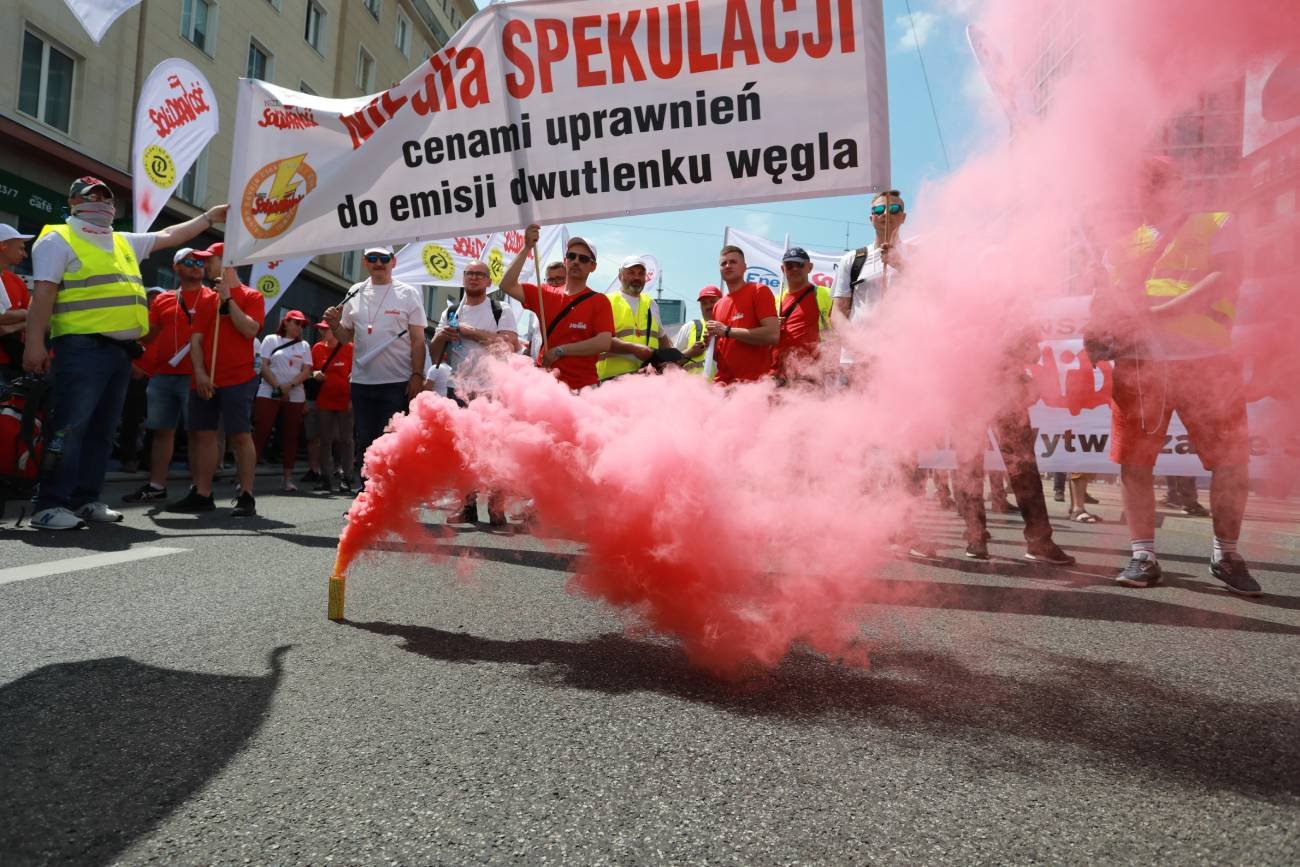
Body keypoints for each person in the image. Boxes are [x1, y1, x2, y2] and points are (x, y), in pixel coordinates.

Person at [22, 176, 225, 530]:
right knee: (69, 428)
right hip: (80, 347)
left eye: (106, 196)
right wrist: (34, 343)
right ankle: (49, 504)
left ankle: (85, 499)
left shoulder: (122, 241)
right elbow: (43, 295)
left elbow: (169, 236)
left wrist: (207, 218)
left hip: (118, 353)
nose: (101, 201)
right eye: (92, 195)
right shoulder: (58, 238)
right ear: (73, 202)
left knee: (101, 431)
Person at [1098, 157, 1259, 595]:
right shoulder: (1118, 248)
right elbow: (1112, 307)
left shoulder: (1219, 223)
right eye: (1138, 184)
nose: (1147, 191)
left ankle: (1226, 554)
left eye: (1157, 181)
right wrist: (1100, 334)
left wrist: (1158, 314)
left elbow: (1225, 279)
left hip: (1207, 362)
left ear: (1180, 183)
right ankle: (1142, 555)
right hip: (1139, 364)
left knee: (1231, 463)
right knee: (1133, 462)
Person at [828, 189, 938, 559]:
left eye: (894, 209)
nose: (886, 214)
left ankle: (904, 528)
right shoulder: (853, 260)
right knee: (859, 445)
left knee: (907, 450)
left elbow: (938, 296)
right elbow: (837, 313)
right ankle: (860, 527)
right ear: (870, 216)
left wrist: (904, 266)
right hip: (858, 364)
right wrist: (856, 342)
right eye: (879, 209)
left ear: (904, 216)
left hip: (904, 364)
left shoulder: (919, 257)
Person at [953, 333, 1076, 564]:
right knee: (1011, 466)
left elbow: (1032, 351)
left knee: (1003, 466)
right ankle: (1032, 540)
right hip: (984, 389)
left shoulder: (1004, 309)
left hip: (987, 390)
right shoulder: (1002, 307)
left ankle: (979, 537)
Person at [168, 244, 264, 517]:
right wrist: (199, 373)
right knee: (202, 435)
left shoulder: (252, 296)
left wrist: (229, 300)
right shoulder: (205, 299)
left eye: (208, 261)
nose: (203, 266)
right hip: (207, 378)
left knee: (240, 435)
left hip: (239, 377)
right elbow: (196, 339)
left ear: (227, 263)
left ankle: (246, 495)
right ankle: (202, 492)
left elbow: (250, 330)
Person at [322, 245, 427, 491]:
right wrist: (335, 325)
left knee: (389, 440)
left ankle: (388, 495)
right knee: (365, 440)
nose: (378, 263)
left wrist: (416, 375)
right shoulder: (354, 291)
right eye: (372, 258)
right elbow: (346, 336)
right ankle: (368, 494)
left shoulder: (408, 293)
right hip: (362, 381)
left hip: (397, 381)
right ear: (365, 262)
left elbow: (418, 340)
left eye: (383, 258)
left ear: (393, 262)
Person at [428, 259, 520, 524]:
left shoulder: (500, 309)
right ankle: (467, 506)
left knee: (494, 449)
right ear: (463, 278)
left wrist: (468, 332)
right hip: (459, 390)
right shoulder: (452, 311)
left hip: (493, 390)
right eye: (469, 274)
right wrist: (441, 337)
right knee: (462, 450)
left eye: (480, 275)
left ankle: (495, 505)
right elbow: (433, 355)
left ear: (489, 281)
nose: (474, 278)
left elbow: (507, 345)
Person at [123, 248, 213, 503]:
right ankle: (157, 485)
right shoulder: (163, 300)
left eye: (200, 262)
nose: (197, 266)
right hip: (162, 374)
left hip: (195, 375)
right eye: (190, 261)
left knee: (198, 433)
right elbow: (148, 334)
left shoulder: (213, 298)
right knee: (161, 430)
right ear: (176, 267)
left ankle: (199, 489)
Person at [498, 226, 613, 392]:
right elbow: (507, 285)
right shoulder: (545, 292)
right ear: (565, 261)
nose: (576, 261)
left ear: (593, 267)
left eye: (583, 259)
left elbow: (603, 342)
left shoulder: (599, 301)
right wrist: (527, 247)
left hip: (583, 389)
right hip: (547, 387)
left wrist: (560, 351)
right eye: (571, 256)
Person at [252, 310, 313, 492]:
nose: (299, 327)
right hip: (268, 391)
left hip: (295, 394)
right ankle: (247, 476)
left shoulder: (304, 345)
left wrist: (289, 386)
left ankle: (287, 479)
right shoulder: (271, 340)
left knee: (291, 436)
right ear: (285, 322)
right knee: (261, 431)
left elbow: (306, 370)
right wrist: (278, 387)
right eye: (295, 322)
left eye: (301, 324)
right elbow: (262, 365)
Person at [705, 246, 779, 385]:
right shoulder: (718, 305)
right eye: (723, 263)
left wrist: (727, 331)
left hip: (753, 386)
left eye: (733, 262)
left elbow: (772, 335)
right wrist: (710, 342)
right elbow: (721, 353)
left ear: (745, 267)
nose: (728, 266)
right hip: (722, 385)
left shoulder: (758, 291)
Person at [597, 256, 673, 381]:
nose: (637, 277)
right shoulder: (606, 301)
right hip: (612, 382)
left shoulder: (651, 304)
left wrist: (670, 360)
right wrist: (634, 349)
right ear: (620, 275)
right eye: (631, 273)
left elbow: (662, 338)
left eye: (641, 273)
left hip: (647, 381)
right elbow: (600, 340)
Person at [771, 246, 832, 383]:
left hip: (811, 374)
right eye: (789, 265)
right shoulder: (776, 300)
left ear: (810, 267)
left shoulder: (826, 294)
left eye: (799, 264)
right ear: (783, 269)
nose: (794, 269)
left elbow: (842, 330)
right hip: (777, 375)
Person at [310, 319, 355, 494]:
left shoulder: (349, 348)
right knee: (325, 440)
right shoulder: (317, 348)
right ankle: (326, 478)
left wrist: (352, 400)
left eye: (326, 329)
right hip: (325, 400)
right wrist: (315, 373)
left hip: (345, 400)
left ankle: (346, 477)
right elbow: (311, 370)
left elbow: (355, 374)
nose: (323, 332)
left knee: (346, 440)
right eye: (321, 329)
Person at [0, 224, 34, 387]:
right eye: (20, 248)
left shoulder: (16, 281)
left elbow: (35, 320)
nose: (25, 254)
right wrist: (25, 315)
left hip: (12, 362)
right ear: (3, 245)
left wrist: (10, 327)